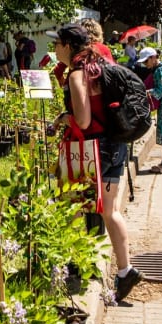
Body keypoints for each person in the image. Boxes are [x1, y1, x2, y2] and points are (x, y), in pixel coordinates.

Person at [49, 23, 142, 302]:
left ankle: (74, 266)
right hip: (115, 144)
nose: (54, 49)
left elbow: (83, 120)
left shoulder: (78, 74)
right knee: (110, 211)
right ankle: (125, 270)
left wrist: (63, 118)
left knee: (72, 207)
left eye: (56, 44)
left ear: (68, 46)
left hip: (91, 149)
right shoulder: (99, 65)